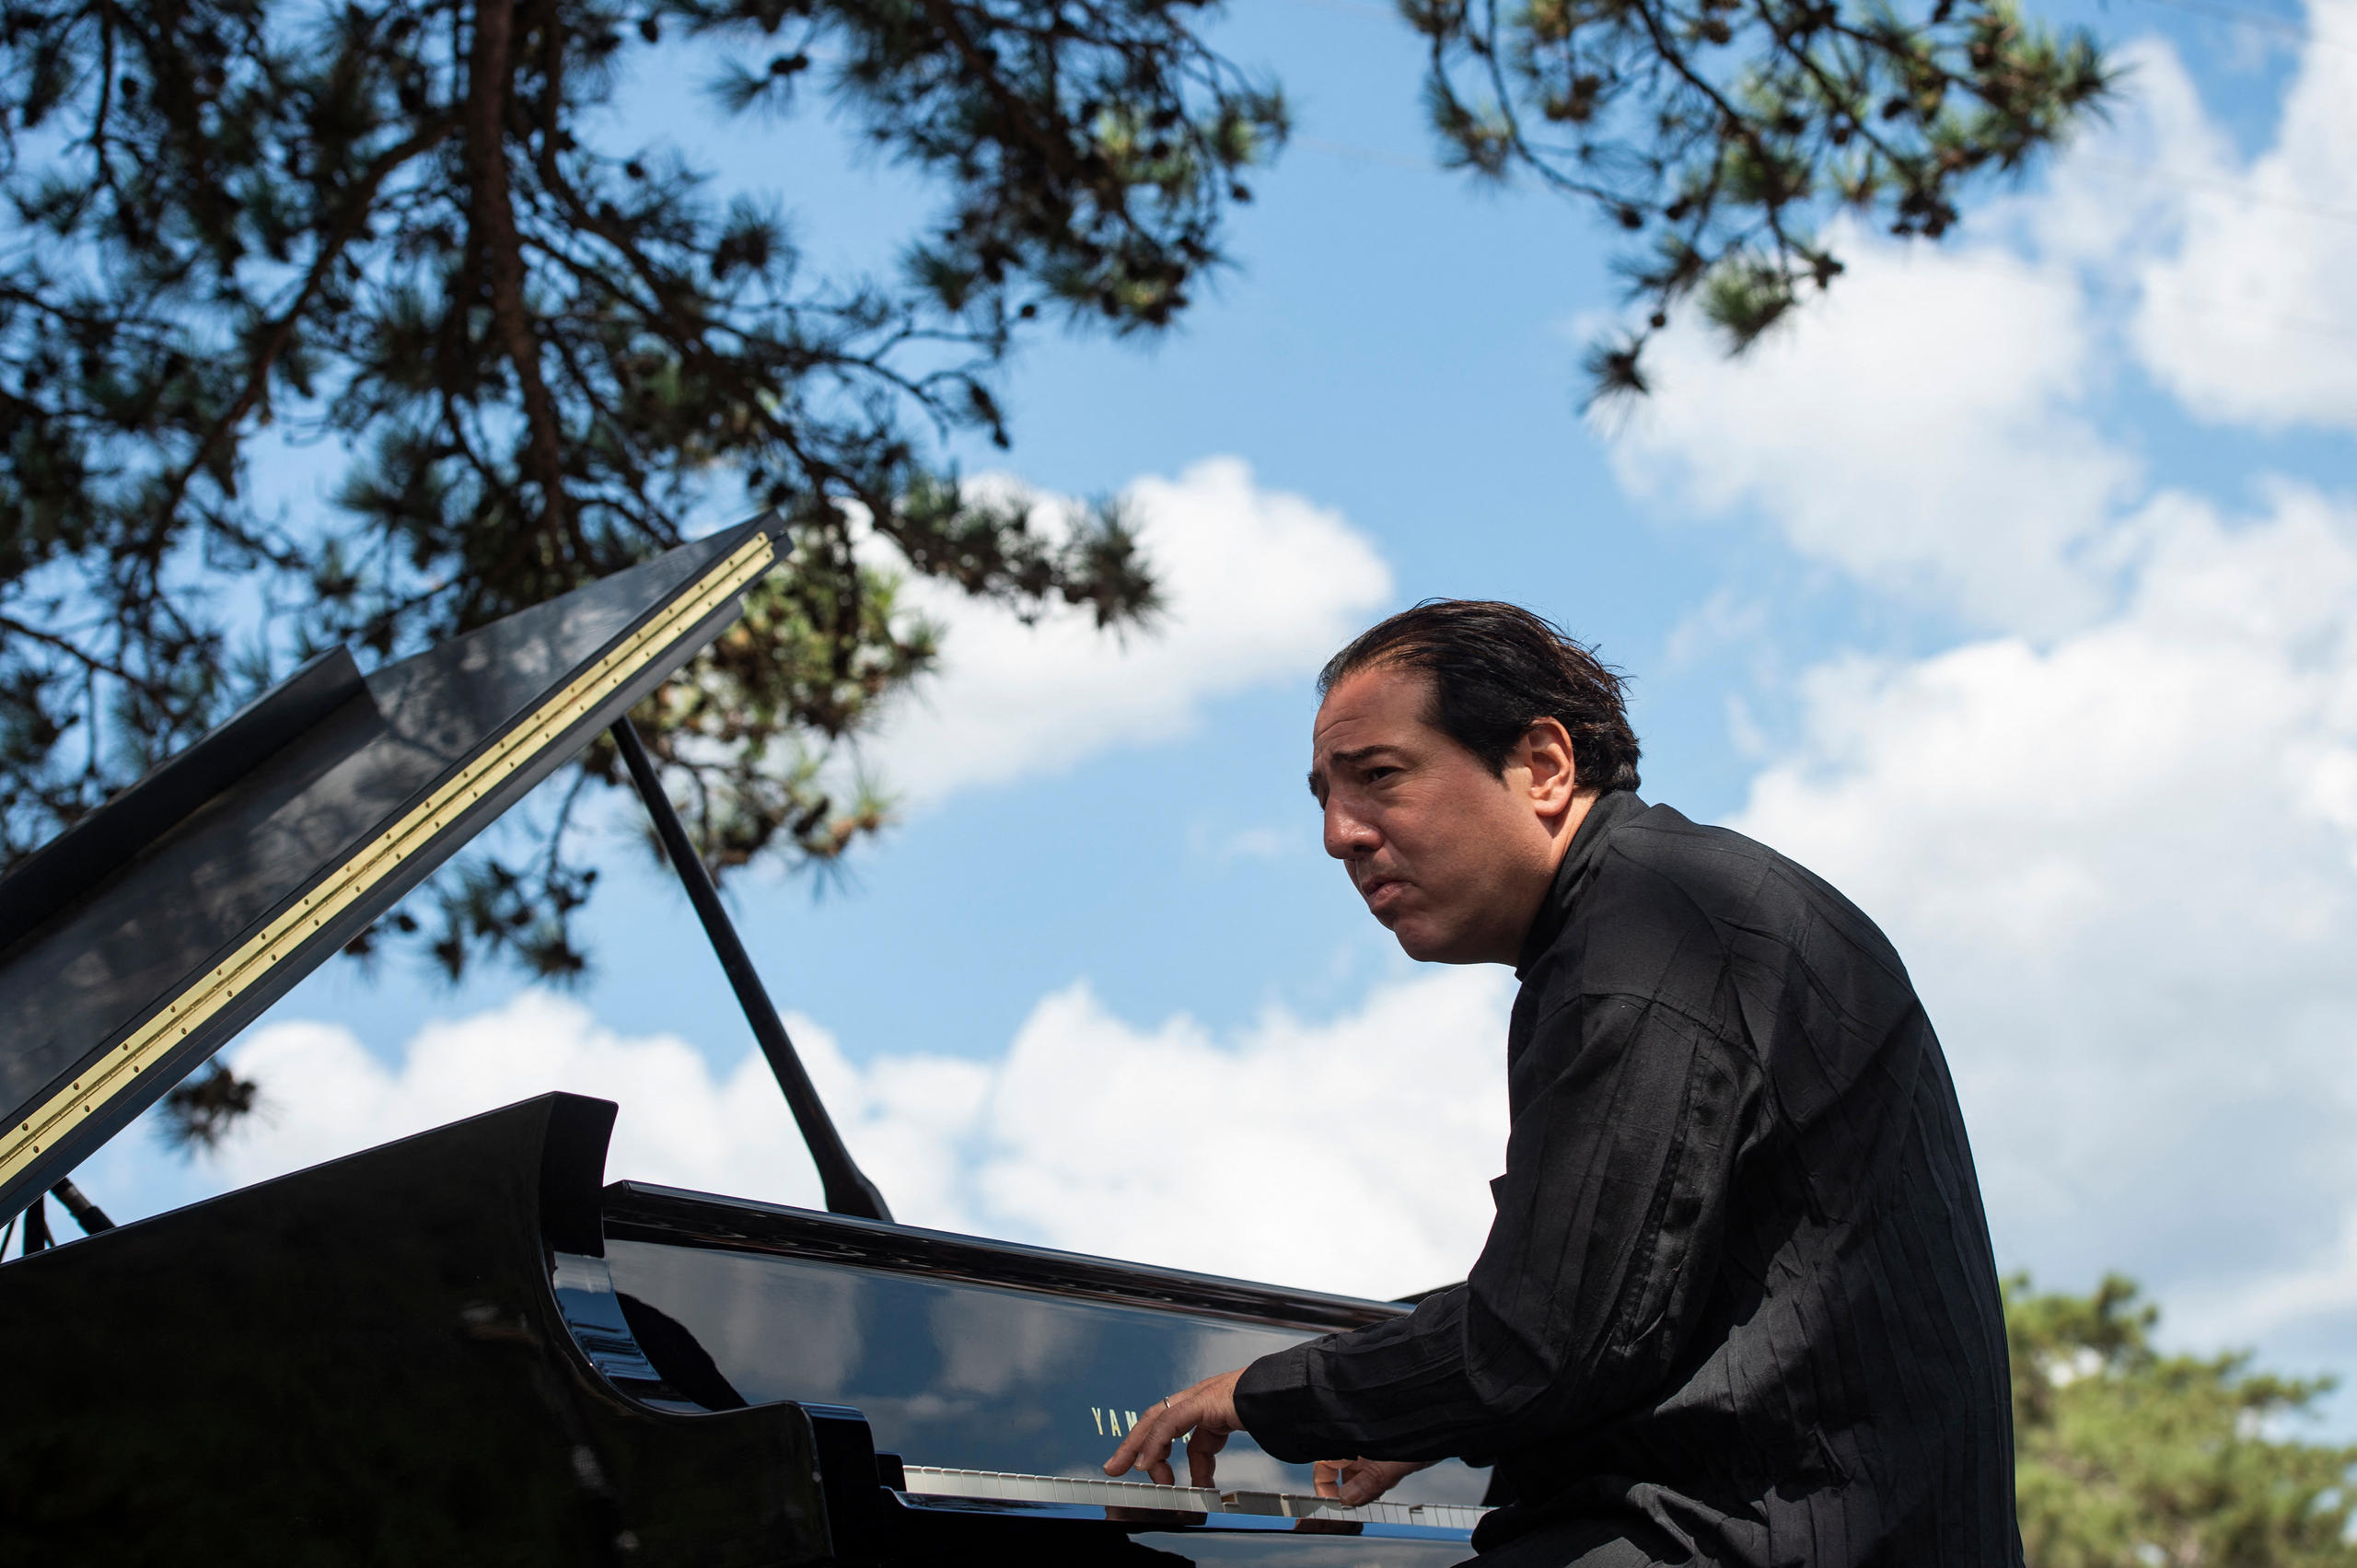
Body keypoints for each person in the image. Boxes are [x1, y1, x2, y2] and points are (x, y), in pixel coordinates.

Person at [1103, 600, 2020, 1567]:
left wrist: (1262, 1392)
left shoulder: (1650, 933)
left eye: (1378, 777)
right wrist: (1408, 1404)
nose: (1340, 834)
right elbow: (1611, 1309)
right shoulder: (1668, 908)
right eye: (1324, 796)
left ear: (1542, 765)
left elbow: (1540, 1343)